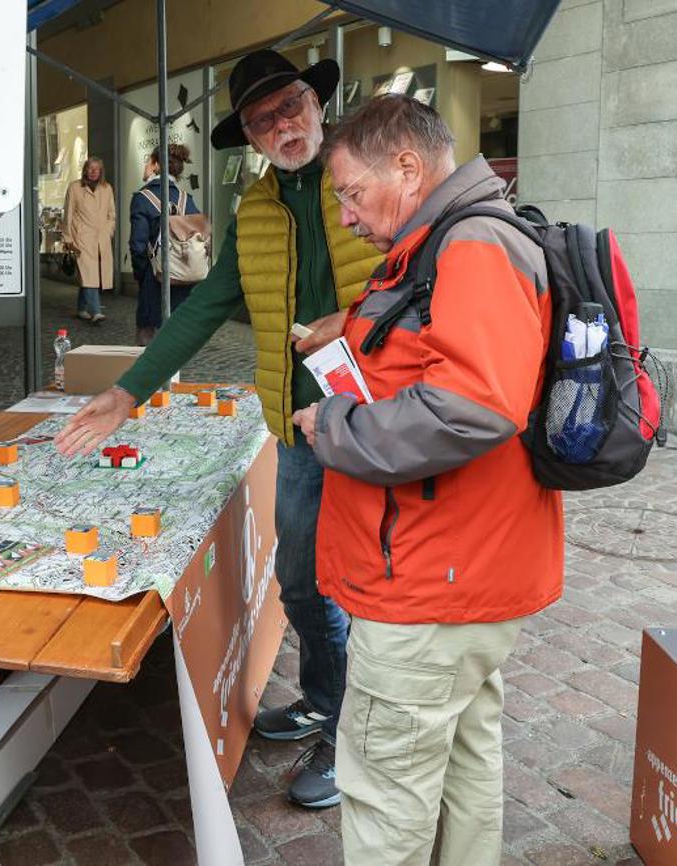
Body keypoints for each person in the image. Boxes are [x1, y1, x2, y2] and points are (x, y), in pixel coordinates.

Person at [56, 50, 382, 809]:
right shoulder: (259, 208)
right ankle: (326, 700)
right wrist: (129, 390)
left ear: (316, 102)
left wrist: (359, 319)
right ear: (253, 137)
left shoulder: (365, 181)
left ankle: (352, 740)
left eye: (291, 106)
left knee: (368, 588)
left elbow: (430, 279)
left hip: (379, 421)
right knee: (301, 583)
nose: (283, 125)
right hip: (299, 427)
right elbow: (204, 307)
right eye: (264, 120)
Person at [291, 94, 563, 865]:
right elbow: (436, 351)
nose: (344, 215)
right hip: (462, 572)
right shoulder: (450, 239)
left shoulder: (470, 243)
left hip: (430, 581)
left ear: (408, 167)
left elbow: (472, 404)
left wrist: (333, 427)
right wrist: (347, 331)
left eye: (350, 191)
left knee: (386, 794)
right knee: (464, 768)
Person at [128, 143, 201, 346]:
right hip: (185, 280)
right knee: (176, 339)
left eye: (148, 161)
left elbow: (137, 245)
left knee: (146, 336)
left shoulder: (142, 199)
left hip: (154, 279)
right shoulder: (188, 200)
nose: (145, 165)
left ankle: (148, 378)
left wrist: (142, 276)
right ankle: (173, 377)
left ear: (156, 165)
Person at [63, 157, 117, 324]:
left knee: (90, 274)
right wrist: (68, 238)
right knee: (89, 273)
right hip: (82, 237)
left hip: (101, 237)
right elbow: (68, 214)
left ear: (101, 171)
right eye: (90, 168)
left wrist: (108, 231)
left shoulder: (107, 188)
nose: (94, 171)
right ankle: (96, 311)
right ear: (85, 170)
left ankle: (82, 308)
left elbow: (111, 214)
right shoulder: (75, 188)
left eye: (97, 169)